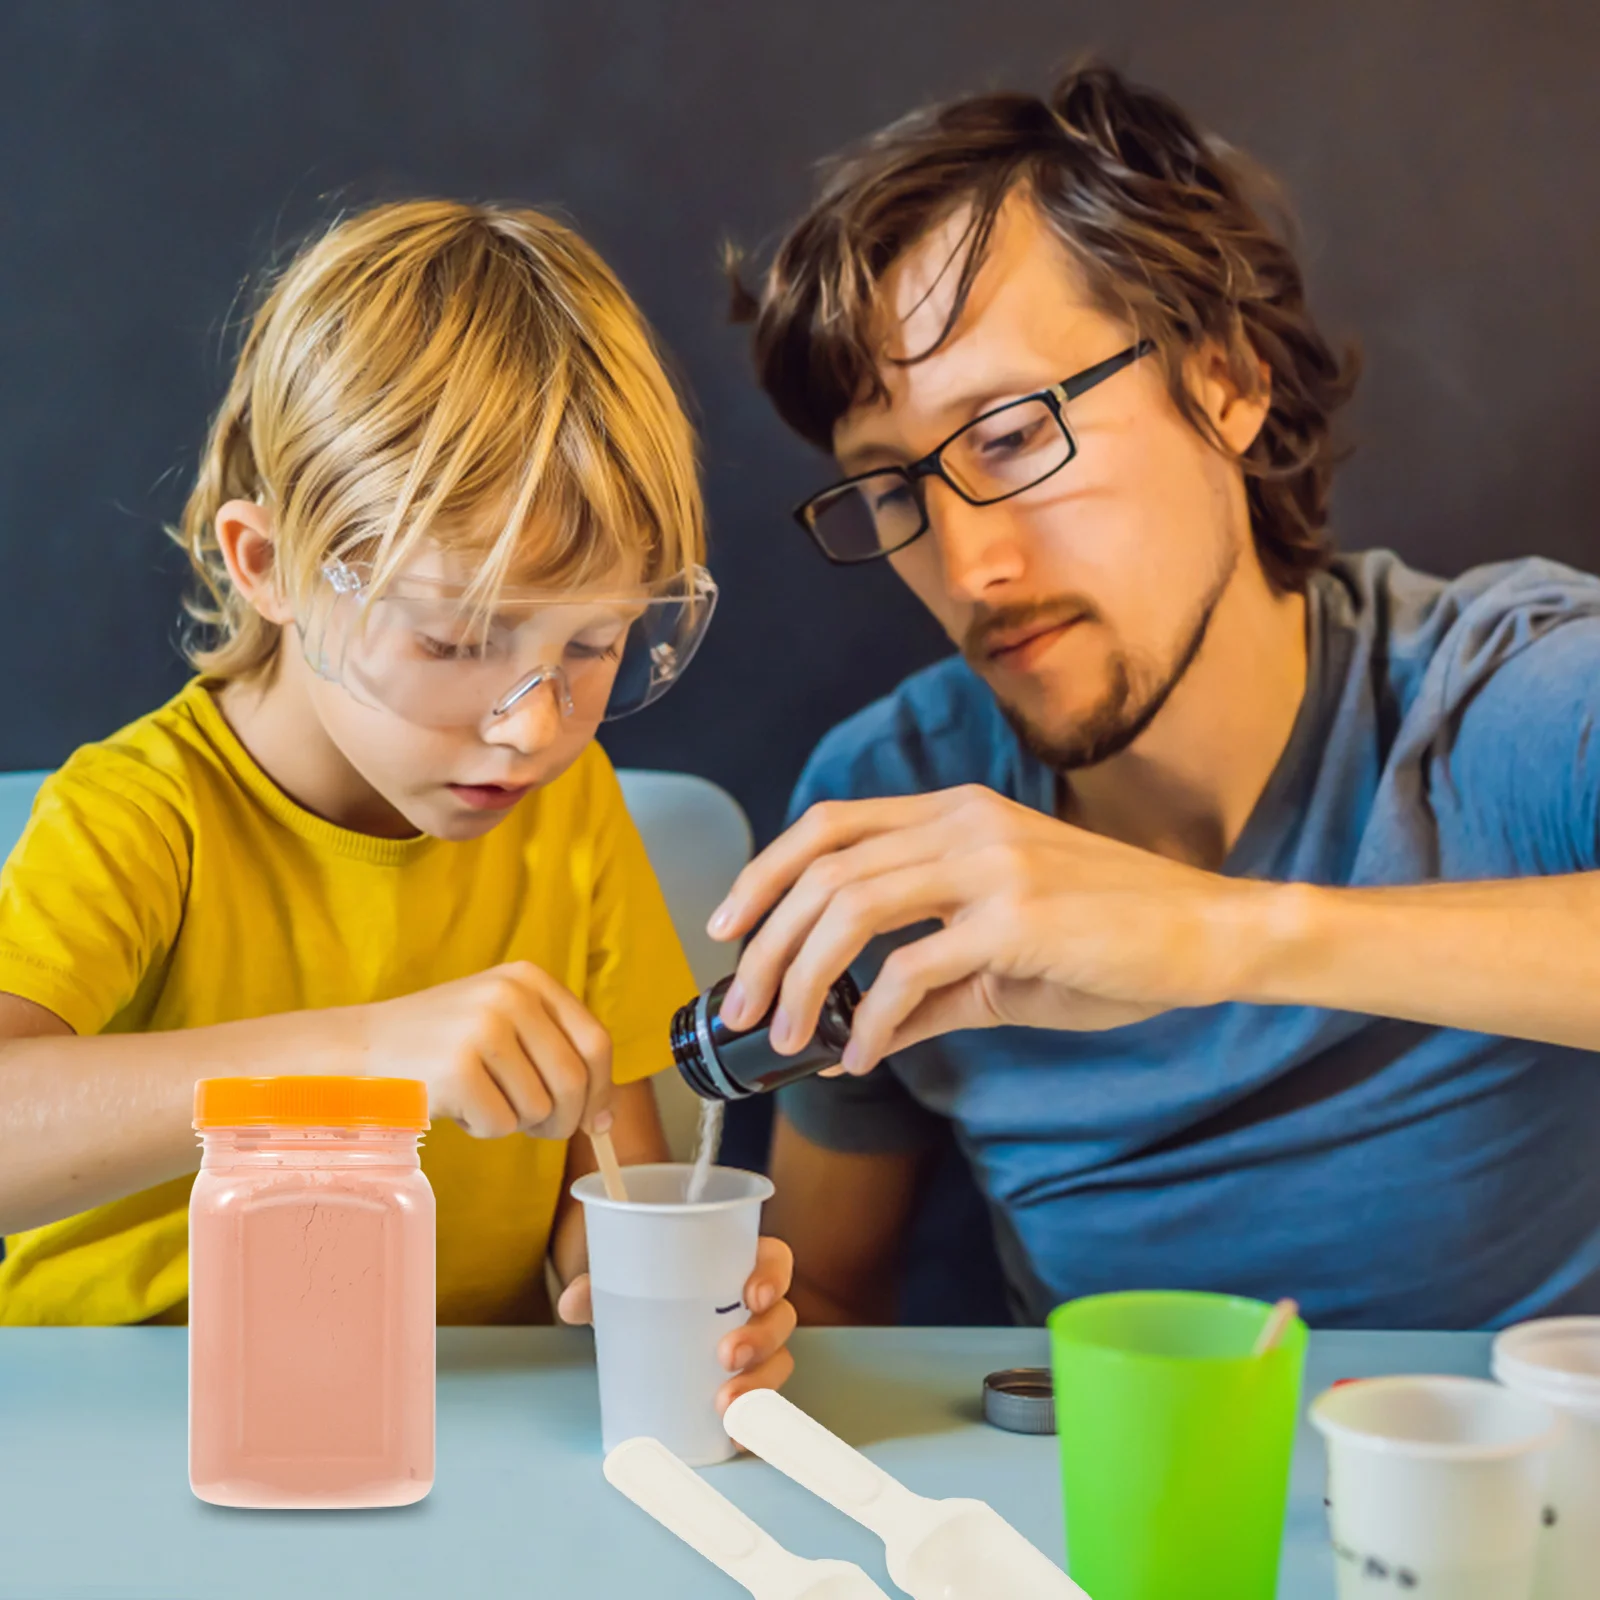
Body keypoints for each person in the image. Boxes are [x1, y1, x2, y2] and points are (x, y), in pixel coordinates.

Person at [713, 64, 1600, 1331]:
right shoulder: (890, 807)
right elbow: (835, 1294)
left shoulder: (1501, 695)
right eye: (893, 489)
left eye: (1013, 435)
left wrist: (1216, 934)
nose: (971, 565)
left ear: (1225, 382)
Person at [0, 199, 795, 1403]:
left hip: (455, 1432)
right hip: (130, 1422)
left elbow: (610, 1177)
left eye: (592, 645)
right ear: (268, 567)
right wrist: (369, 1056)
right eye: (453, 639)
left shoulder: (564, 804)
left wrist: (646, 1289)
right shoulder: (142, 813)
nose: (532, 725)